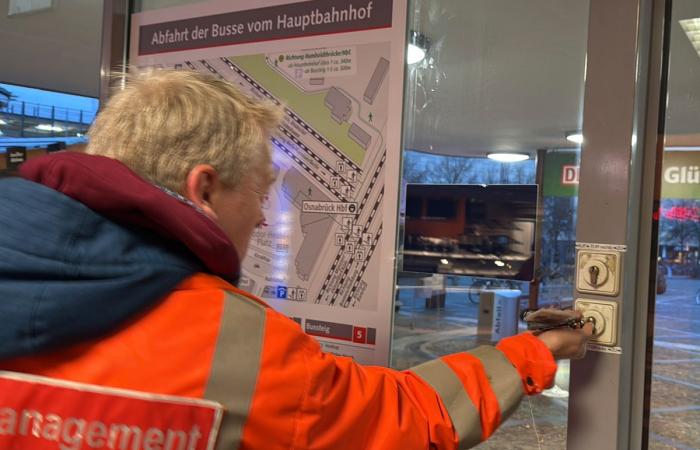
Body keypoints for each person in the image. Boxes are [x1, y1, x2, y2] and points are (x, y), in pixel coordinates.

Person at [0, 69, 591, 449]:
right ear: (202, 189)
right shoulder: (232, 343)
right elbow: (408, 419)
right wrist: (537, 351)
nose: (262, 219)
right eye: (258, 195)